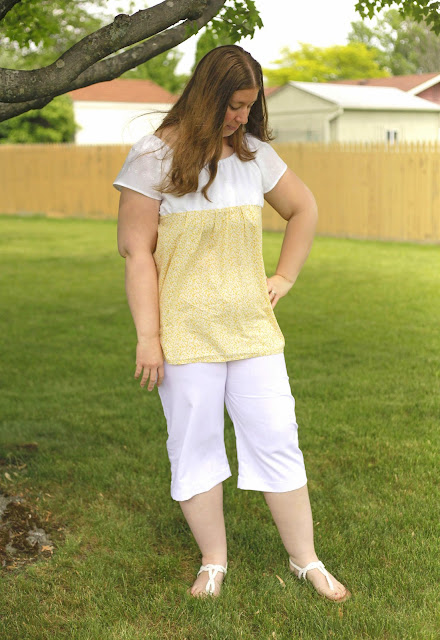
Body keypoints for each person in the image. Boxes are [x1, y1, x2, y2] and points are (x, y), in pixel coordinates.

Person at [113, 45, 350, 602]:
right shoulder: (153, 156)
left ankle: (306, 560)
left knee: (277, 437)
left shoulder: (254, 155)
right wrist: (149, 337)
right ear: (206, 96)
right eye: (234, 105)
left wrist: (284, 277)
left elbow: (304, 208)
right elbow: (136, 252)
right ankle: (213, 562)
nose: (242, 117)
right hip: (184, 333)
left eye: (249, 106)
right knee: (194, 445)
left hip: (252, 330)